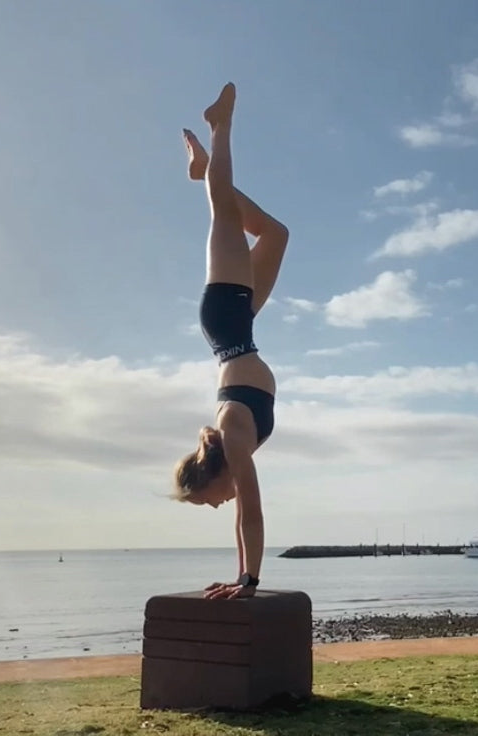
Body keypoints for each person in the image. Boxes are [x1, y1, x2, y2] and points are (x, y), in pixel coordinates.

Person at [173, 83, 289, 600]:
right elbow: (243, 511)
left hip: (226, 319)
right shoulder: (233, 441)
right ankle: (204, 174)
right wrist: (244, 576)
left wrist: (250, 580)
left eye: (208, 501)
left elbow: (250, 511)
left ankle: (220, 126)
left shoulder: (232, 432)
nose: (219, 505)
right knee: (275, 234)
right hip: (237, 327)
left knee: (223, 209)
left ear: (212, 476)